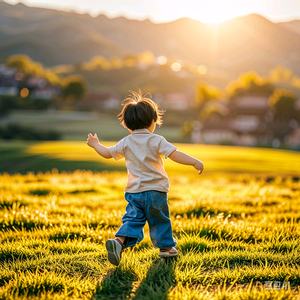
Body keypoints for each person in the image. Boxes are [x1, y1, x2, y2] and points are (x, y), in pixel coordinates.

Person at [86, 90, 204, 266]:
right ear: (152, 121)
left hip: (134, 192)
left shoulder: (126, 142)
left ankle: (118, 242)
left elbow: (107, 153)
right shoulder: (156, 140)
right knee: (159, 219)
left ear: (127, 124)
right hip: (156, 191)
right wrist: (194, 162)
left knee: (133, 219)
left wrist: (96, 145)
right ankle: (166, 249)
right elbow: (175, 155)